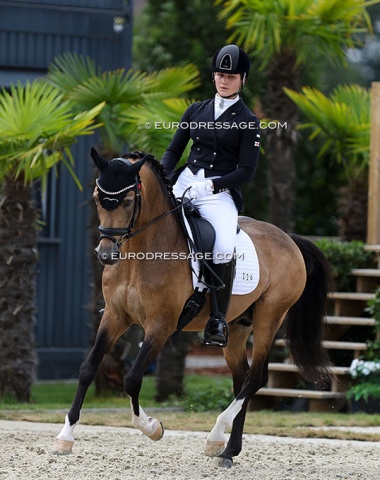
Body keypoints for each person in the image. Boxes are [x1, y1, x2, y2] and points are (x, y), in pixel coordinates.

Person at [161, 44, 260, 347]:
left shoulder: (248, 120)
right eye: (219, 74)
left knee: (223, 244)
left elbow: (246, 171)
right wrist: (161, 176)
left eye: (230, 76)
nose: (223, 81)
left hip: (219, 193)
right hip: (186, 182)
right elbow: (174, 151)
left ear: (242, 79)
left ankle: (217, 317)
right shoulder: (195, 110)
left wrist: (214, 185)